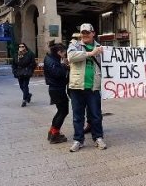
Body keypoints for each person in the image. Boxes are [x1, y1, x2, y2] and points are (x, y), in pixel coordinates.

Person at [67, 23, 106, 152]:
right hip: (77, 87)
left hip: (93, 87)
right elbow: (71, 57)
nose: (85, 35)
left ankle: (98, 138)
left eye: (87, 32)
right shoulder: (75, 45)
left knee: (96, 115)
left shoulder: (100, 47)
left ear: (93, 33)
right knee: (78, 116)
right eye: (83, 33)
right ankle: (78, 140)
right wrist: (91, 53)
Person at [44, 42, 70, 144]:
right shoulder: (53, 61)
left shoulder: (51, 58)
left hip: (55, 88)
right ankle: (55, 135)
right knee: (63, 111)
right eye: (64, 53)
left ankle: (52, 131)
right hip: (57, 89)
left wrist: (63, 65)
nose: (65, 55)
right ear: (59, 52)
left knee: (60, 111)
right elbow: (58, 74)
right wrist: (65, 66)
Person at [12, 43, 36, 107]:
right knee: (21, 86)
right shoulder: (16, 55)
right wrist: (14, 71)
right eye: (20, 46)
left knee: (25, 85)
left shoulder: (30, 54)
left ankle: (24, 100)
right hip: (19, 72)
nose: (21, 47)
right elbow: (14, 64)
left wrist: (29, 69)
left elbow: (33, 64)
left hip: (26, 72)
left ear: (25, 47)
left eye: (22, 46)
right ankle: (28, 95)